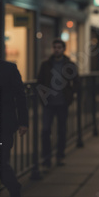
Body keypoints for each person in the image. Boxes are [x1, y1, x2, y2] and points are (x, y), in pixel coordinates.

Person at [0, 36, 28, 197]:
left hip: (1, 125)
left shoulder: (8, 69)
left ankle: (14, 189)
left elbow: (20, 97)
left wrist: (23, 122)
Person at [37, 39, 78, 167]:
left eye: (59, 47)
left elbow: (76, 82)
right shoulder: (46, 64)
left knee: (61, 130)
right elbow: (40, 82)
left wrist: (70, 96)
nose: (56, 49)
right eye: (55, 47)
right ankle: (47, 158)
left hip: (62, 103)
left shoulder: (69, 64)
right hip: (49, 103)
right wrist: (42, 97)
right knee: (45, 130)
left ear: (63, 49)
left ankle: (60, 156)